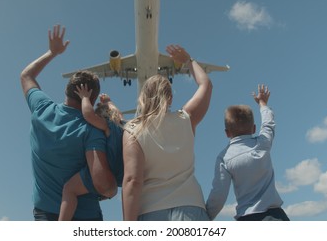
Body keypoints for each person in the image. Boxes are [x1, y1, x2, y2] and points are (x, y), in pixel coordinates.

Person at [20, 24, 117, 221]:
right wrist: (111, 190)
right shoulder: (91, 128)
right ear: (92, 98)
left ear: (66, 90)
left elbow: (26, 76)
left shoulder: (41, 110)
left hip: (45, 215)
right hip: (85, 217)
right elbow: (103, 185)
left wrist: (52, 52)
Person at [122, 44, 213, 221]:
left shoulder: (133, 129)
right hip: (191, 210)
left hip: (151, 211)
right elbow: (206, 85)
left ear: (143, 97)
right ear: (170, 98)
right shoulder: (187, 118)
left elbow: (132, 181)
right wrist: (188, 60)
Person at [206, 85, 290, 221]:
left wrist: (206, 216)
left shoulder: (224, 158)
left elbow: (219, 194)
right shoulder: (262, 144)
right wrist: (263, 104)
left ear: (227, 133)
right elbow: (268, 124)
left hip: (247, 218)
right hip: (275, 216)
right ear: (254, 128)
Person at [59, 85, 124, 221]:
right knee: (105, 191)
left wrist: (85, 98)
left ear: (102, 117)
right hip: (118, 176)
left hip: (104, 174)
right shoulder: (121, 126)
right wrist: (108, 101)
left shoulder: (107, 126)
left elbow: (88, 114)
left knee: (69, 189)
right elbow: (118, 113)